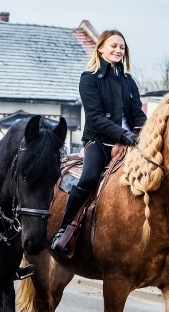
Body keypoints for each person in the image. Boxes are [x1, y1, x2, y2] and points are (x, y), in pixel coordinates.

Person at [51, 29, 147, 251]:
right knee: (89, 177)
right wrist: (123, 135)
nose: (118, 50)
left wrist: (146, 131)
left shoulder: (129, 81)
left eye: (121, 47)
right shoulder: (89, 78)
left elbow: (137, 114)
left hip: (132, 142)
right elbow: (95, 117)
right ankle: (64, 229)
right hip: (100, 141)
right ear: (101, 48)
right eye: (113, 46)